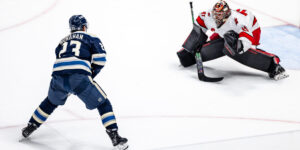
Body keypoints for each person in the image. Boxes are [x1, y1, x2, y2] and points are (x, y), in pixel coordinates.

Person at [21, 15, 128, 150]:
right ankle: (115, 136)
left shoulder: (61, 41)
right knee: (103, 103)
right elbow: (100, 59)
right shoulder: (91, 37)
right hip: (79, 76)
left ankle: (30, 127)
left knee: (50, 102)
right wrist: (88, 75)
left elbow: (60, 57)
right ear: (84, 26)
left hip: (58, 75)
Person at [177, 0, 289, 80]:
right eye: (215, 14)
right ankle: (191, 57)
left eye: (220, 15)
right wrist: (191, 45)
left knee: (232, 47)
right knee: (220, 43)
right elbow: (199, 27)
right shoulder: (208, 15)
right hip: (225, 32)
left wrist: (238, 47)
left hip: (252, 30)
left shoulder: (237, 21)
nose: (216, 17)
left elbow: (247, 37)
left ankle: (273, 64)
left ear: (227, 14)